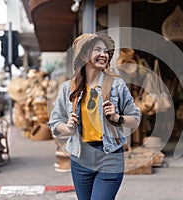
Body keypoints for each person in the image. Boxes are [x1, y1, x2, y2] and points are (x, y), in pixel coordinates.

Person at [48, 33, 141, 200]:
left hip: (109, 156)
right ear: (84, 55)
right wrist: (68, 127)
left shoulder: (116, 85)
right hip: (81, 158)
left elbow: (135, 118)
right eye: (97, 50)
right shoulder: (68, 88)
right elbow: (54, 123)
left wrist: (117, 118)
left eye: (105, 51)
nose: (103, 54)